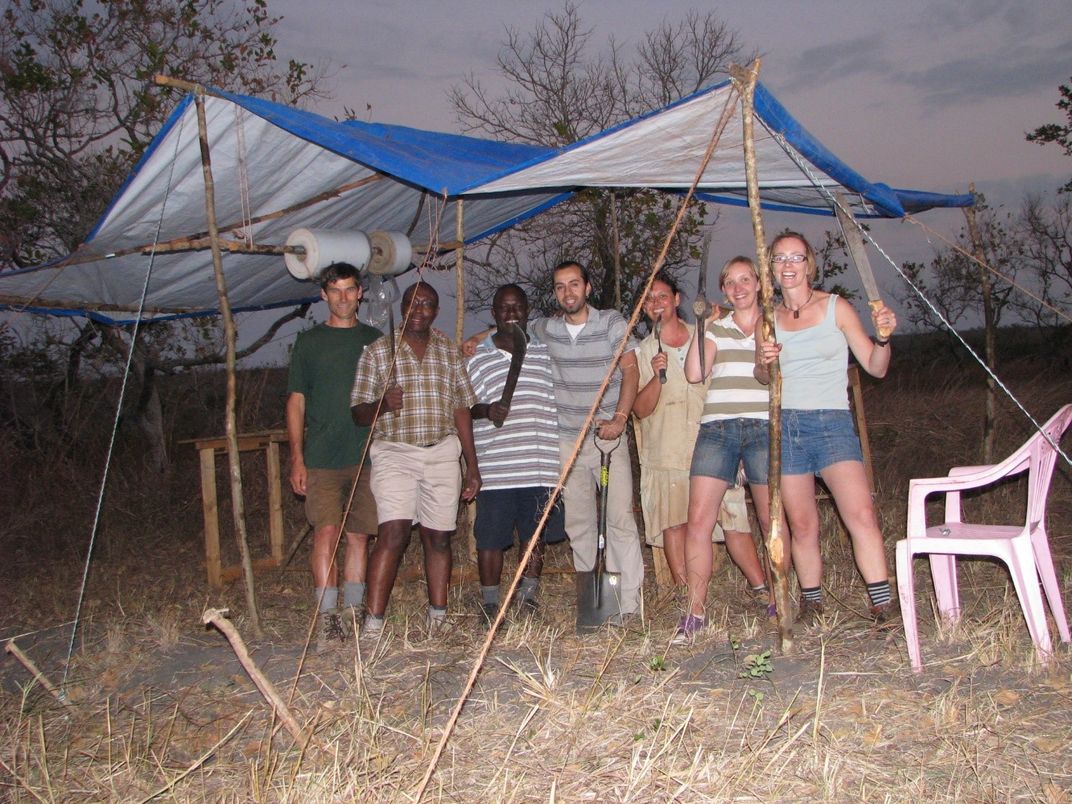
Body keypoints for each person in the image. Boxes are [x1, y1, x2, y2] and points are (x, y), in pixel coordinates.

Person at [756, 231, 897, 624]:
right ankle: (812, 603)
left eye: (795, 257)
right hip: (787, 426)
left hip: (832, 422)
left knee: (862, 514)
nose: (788, 265)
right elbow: (761, 377)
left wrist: (883, 338)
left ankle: (883, 603)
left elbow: (875, 366)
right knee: (802, 524)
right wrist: (766, 363)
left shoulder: (836, 307)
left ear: (809, 264)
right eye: (780, 258)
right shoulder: (768, 317)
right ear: (771, 266)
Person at [632, 271, 769, 617]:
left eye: (662, 296)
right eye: (649, 299)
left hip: (715, 443)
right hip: (667, 449)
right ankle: (687, 600)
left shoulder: (707, 334)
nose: (656, 303)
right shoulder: (643, 352)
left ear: (678, 299)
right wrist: (657, 377)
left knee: (735, 522)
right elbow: (640, 409)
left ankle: (762, 590)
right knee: (675, 525)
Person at [350, 281, 481, 637]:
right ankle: (374, 623)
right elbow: (358, 413)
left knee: (438, 537)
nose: (418, 310)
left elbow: (461, 409)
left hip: (441, 451)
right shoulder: (379, 351)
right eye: (412, 303)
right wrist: (381, 405)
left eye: (427, 304)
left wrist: (472, 466)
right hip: (395, 452)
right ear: (403, 306)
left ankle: (438, 617)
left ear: (436, 311)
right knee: (392, 533)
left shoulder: (448, 351)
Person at [672, 257, 782, 643]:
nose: (738, 288)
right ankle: (694, 612)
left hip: (763, 429)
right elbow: (693, 373)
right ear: (723, 290)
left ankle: (779, 599)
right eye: (730, 282)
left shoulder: (776, 324)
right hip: (717, 429)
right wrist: (701, 326)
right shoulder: (715, 327)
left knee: (771, 522)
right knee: (698, 521)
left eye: (745, 280)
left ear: (758, 284)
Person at [528, 261, 644, 619]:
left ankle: (630, 606)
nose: (567, 292)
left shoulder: (611, 322)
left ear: (588, 288)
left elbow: (630, 370)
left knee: (619, 518)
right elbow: (513, 327)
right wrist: (478, 338)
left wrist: (620, 419)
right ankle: (595, 605)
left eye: (574, 284)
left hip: (605, 438)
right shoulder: (546, 329)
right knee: (579, 523)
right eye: (560, 287)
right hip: (568, 442)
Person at [285, 262, 382, 652]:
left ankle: (353, 612)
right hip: (322, 456)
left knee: (360, 534)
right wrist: (297, 458)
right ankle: (327, 619)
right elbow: (296, 401)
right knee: (326, 532)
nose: (343, 297)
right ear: (323, 295)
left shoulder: (375, 339)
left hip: (367, 456)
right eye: (335, 290)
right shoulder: (309, 343)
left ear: (360, 293)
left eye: (350, 289)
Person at [467, 284, 565, 621]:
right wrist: (486, 410)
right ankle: (491, 603)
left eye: (518, 307)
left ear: (527, 311)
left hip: (541, 465)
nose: (511, 314)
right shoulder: (476, 358)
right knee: (490, 540)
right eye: (504, 308)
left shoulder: (545, 352)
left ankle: (527, 598)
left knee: (533, 535)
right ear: (494, 314)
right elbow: (463, 410)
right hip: (496, 468)